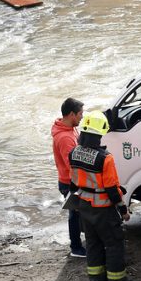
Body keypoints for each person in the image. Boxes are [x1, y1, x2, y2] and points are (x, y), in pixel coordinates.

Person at [69, 111, 138, 281]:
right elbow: (112, 188)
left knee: (92, 242)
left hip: (84, 205)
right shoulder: (104, 158)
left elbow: (72, 182)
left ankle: (97, 280)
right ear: (99, 134)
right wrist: (123, 209)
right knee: (114, 243)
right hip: (103, 208)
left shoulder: (73, 152)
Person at [51, 97, 87, 258]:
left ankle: (79, 243)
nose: (82, 117)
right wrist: (80, 185)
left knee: (78, 214)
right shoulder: (65, 138)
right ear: (72, 114)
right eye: (80, 114)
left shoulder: (69, 129)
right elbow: (71, 166)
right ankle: (76, 248)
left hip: (69, 180)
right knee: (75, 215)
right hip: (70, 182)